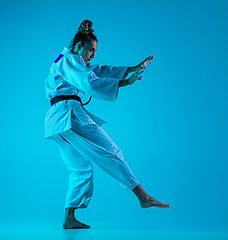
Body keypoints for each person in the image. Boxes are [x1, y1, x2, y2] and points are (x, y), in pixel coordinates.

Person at [45, 20, 169, 229]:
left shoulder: (66, 61)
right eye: (90, 50)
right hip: (69, 114)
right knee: (111, 151)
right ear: (78, 47)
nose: (93, 55)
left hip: (56, 122)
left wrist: (133, 68)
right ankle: (143, 196)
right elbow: (90, 81)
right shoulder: (70, 60)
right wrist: (125, 82)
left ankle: (69, 218)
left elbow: (100, 70)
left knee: (80, 168)